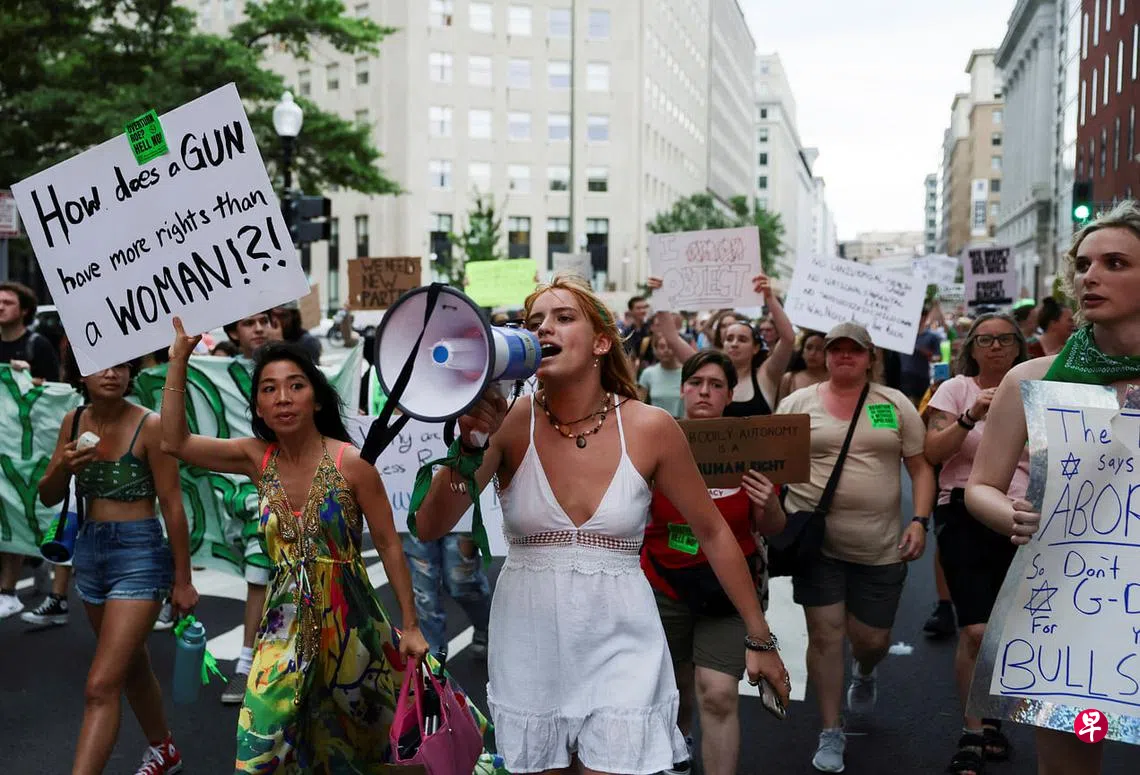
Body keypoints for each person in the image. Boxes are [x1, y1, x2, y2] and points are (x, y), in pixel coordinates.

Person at [411, 274, 790, 775]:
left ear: (602, 342)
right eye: (534, 322)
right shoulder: (509, 422)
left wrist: (760, 637)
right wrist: (470, 445)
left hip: (621, 635)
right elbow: (431, 525)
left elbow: (714, 532)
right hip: (530, 637)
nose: (544, 328)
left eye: (564, 317)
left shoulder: (651, 427)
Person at [161, 323, 434, 771]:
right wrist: (178, 360)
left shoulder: (352, 464)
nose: (283, 398)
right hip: (282, 628)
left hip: (352, 630)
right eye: (269, 389)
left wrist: (412, 625)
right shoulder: (255, 457)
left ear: (317, 399)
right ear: (258, 407)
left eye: (296, 386)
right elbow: (175, 442)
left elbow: (388, 545)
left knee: (363, 750)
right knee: (259, 750)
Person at [966, 201, 1140, 775]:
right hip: (1073, 606)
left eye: (1116, 262)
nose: (1091, 276)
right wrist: (1007, 514)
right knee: (1068, 766)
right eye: (1084, 264)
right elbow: (980, 486)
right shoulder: (1032, 379)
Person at [777, 322, 934, 773]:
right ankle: (831, 730)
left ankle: (865, 669)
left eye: (855, 350)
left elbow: (921, 468)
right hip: (815, 547)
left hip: (879, 547)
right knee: (825, 636)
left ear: (870, 358)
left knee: (871, 640)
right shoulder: (797, 403)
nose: (844, 356)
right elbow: (774, 465)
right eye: (836, 349)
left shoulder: (895, 404)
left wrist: (920, 521)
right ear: (825, 355)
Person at [38, 353, 197, 775]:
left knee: (100, 685)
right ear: (81, 373)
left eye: (122, 365)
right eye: (101, 364)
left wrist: (182, 580)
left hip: (140, 554)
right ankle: (164, 749)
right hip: (90, 553)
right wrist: (64, 467)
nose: (112, 373)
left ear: (131, 373)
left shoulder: (150, 424)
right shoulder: (73, 421)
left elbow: (172, 504)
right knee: (132, 665)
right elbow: (48, 494)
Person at [642, 350, 787, 775]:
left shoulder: (751, 448)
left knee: (719, 693)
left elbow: (773, 527)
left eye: (716, 385)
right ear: (683, 389)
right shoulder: (653, 440)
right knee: (675, 687)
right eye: (696, 383)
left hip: (729, 590)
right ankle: (679, 746)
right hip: (664, 582)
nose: (705, 392)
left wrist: (769, 503)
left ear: (730, 395)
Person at [923, 314, 1029, 775]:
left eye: (1004, 339)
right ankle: (972, 730)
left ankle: (993, 718)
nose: (995, 347)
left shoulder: (1037, 390)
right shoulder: (955, 390)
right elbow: (932, 452)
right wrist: (970, 417)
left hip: (1021, 514)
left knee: (1007, 631)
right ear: (971, 348)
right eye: (985, 340)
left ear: (1018, 346)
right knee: (976, 630)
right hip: (963, 510)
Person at [216, 310, 276, 703]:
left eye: (264, 320)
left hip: (302, 484)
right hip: (251, 493)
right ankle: (246, 664)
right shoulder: (215, 375)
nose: (258, 328)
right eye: (248, 322)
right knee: (258, 574)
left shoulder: (295, 366)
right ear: (233, 332)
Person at [0, 281, 63, 620]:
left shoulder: (37, 345)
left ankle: (25, 573)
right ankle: (16, 581)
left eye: (7, 302)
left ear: (24, 310)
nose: (0, 307)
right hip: (1, 443)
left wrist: (32, 382)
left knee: (22, 510)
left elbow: (57, 392)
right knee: (6, 512)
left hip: (29, 447)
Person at [401, 531, 492, 661]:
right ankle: (434, 658)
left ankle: (484, 626)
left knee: (461, 581)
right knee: (424, 596)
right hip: (416, 523)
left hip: (459, 523)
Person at [720, 280, 795, 416]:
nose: (734, 344)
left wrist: (769, 297)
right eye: (729, 339)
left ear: (755, 348)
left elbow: (788, 339)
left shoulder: (766, 376)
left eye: (742, 339)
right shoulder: (710, 377)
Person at [638, 332, 684, 418]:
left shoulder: (686, 373)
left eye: (670, 346)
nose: (666, 350)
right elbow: (639, 403)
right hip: (656, 422)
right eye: (662, 347)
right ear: (655, 350)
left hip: (683, 423)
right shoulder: (648, 373)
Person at [777, 330, 827, 407]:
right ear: (802, 352)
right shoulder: (789, 379)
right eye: (809, 348)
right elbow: (781, 409)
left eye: (819, 349)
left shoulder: (834, 379)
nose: (812, 353)